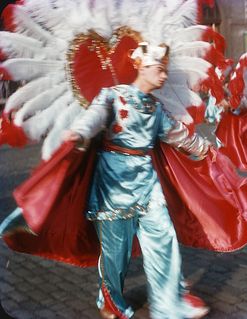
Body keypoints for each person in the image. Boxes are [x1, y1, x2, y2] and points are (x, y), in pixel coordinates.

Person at [62, 42, 210, 319]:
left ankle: (168, 302)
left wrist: (206, 150)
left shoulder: (156, 108)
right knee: (116, 251)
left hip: (147, 182)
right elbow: (93, 117)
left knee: (163, 237)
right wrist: (80, 134)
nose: (164, 76)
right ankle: (109, 298)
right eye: (160, 69)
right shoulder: (113, 97)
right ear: (142, 66)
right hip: (113, 182)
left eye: (166, 70)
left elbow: (178, 135)